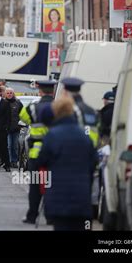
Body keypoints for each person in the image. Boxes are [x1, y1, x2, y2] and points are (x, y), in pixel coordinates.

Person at [36, 96, 98, 231]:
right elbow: (93, 163)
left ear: (55, 112)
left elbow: (41, 161)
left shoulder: (52, 135)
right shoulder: (84, 136)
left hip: (59, 197)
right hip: (82, 197)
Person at [19, 80, 56, 224]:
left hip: (36, 153)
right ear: (53, 92)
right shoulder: (60, 107)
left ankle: (32, 216)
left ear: (40, 92)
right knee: (51, 185)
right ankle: (51, 217)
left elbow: (23, 116)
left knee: (35, 186)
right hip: (55, 154)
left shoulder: (33, 107)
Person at [60, 78, 100, 148]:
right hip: (89, 151)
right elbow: (88, 130)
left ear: (65, 92)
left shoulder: (70, 109)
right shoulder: (91, 110)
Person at [5, 87, 23, 168]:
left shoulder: (18, 103)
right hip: (6, 129)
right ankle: (8, 161)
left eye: (10, 93)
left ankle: (14, 161)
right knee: (8, 146)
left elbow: (22, 115)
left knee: (15, 146)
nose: (9, 94)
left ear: (13, 93)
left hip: (16, 128)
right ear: (5, 94)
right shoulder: (3, 102)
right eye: (8, 93)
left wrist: (20, 124)